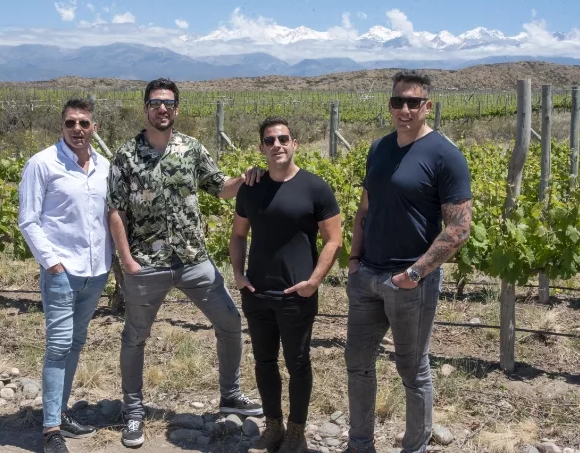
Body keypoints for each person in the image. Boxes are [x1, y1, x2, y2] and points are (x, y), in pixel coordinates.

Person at [107, 77, 265, 448]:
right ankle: (134, 411)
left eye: (168, 103)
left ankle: (231, 395)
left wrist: (246, 178)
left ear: (176, 109)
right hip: (147, 263)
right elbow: (115, 210)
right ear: (145, 108)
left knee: (230, 321)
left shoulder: (191, 148)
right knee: (135, 337)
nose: (162, 108)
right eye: (155, 103)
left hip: (194, 260)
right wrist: (127, 261)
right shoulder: (126, 154)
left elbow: (220, 188)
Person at [343, 71, 472, 453]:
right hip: (367, 275)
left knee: (413, 370)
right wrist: (354, 260)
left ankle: (414, 447)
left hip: (410, 282)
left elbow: (459, 228)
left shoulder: (445, 155)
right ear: (390, 105)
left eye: (413, 102)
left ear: (427, 106)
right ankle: (360, 445)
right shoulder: (379, 148)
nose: (404, 109)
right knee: (357, 364)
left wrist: (414, 274)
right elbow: (365, 209)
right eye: (397, 101)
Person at [230, 117, 342, 453]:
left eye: (283, 139)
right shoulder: (251, 188)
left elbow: (334, 240)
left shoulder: (315, 188)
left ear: (295, 144)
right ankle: (273, 426)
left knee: (298, 363)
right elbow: (238, 234)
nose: (277, 145)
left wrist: (314, 281)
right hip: (257, 293)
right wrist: (238, 274)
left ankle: (296, 431)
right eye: (270, 140)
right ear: (261, 147)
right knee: (264, 362)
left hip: (297, 295)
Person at [18, 98, 114, 453]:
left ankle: (59, 412)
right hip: (61, 272)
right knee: (58, 346)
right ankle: (50, 431)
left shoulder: (104, 167)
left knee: (75, 343)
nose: (77, 129)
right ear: (62, 126)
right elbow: (28, 220)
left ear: (94, 128)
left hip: (96, 271)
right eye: (71, 123)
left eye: (84, 123)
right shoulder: (42, 163)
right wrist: (52, 264)